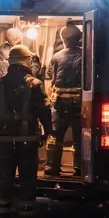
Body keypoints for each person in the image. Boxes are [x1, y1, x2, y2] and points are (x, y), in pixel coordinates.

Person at [0, 44, 52, 218]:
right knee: (27, 178)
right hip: (27, 139)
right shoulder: (35, 84)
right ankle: (26, 217)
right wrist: (48, 130)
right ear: (27, 62)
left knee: (4, 176)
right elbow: (44, 110)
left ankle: (1, 214)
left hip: (4, 138)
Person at [46, 26, 84, 177]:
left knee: (55, 136)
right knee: (80, 138)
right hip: (79, 105)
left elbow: (52, 80)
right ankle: (79, 167)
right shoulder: (85, 56)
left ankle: (52, 167)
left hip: (59, 103)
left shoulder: (56, 56)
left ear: (64, 39)